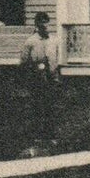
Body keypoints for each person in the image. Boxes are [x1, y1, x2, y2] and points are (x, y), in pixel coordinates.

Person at [19, 11, 61, 145]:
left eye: (46, 23)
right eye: (41, 23)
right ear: (37, 24)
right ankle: (37, 135)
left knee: (51, 107)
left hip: (51, 78)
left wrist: (56, 76)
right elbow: (24, 62)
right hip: (37, 79)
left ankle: (50, 135)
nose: (45, 26)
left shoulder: (54, 40)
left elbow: (56, 59)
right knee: (37, 107)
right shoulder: (30, 41)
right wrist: (33, 72)